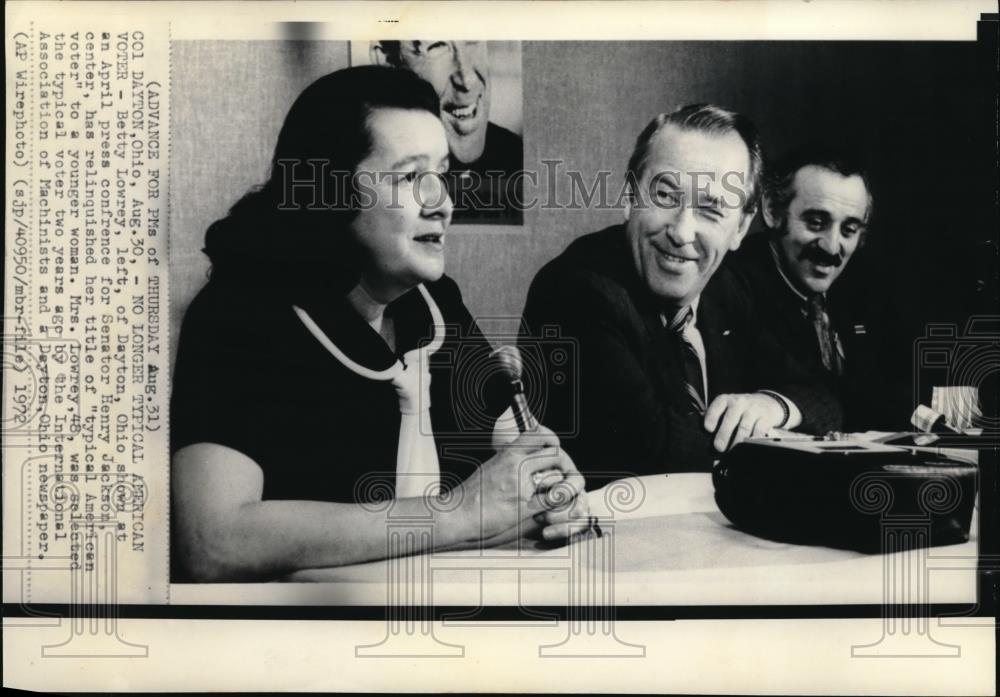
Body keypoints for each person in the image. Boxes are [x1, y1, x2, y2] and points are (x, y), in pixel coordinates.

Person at [170, 66, 585, 582]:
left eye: (443, 174)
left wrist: (543, 491)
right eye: (411, 178)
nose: (444, 205)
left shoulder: (435, 302)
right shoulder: (240, 313)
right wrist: (456, 515)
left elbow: (510, 450)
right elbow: (210, 540)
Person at [520, 105, 842, 483]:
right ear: (629, 196)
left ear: (740, 227)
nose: (682, 232)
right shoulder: (575, 290)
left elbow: (824, 397)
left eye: (711, 209)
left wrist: (773, 406)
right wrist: (778, 442)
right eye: (666, 197)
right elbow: (653, 448)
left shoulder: (726, 288)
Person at [729, 144, 882, 429]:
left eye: (848, 230)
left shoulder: (864, 291)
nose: (832, 246)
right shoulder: (733, 286)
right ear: (773, 210)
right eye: (816, 222)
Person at [372, 40, 524, 224]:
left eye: (472, 39)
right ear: (387, 62)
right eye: (437, 46)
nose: (468, 80)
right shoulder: (362, 181)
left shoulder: (521, 159)